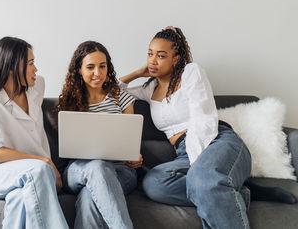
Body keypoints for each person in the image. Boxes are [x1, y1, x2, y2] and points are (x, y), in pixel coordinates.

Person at [119, 26, 295, 229]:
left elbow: (202, 118)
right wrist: (137, 73)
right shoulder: (149, 89)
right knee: (154, 184)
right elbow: (110, 90)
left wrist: (197, 165)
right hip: (183, 153)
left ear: (176, 59)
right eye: (150, 54)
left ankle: (215, 184)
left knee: (202, 180)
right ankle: (234, 190)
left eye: (161, 55)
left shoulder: (191, 73)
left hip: (216, 141)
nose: (153, 60)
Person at [0, 37, 68, 229]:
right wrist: (44, 161)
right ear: (11, 67)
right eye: (30, 63)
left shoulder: (36, 86)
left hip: (33, 175)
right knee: (38, 170)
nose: (36, 69)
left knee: (21, 198)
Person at [55, 41, 143, 229]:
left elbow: (131, 139)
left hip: (120, 171)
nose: (98, 73)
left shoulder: (120, 96)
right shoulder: (68, 101)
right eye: (90, 67)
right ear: (79, 69)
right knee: (97, 167)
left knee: (89, 196)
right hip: (78, 170)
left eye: (102, 66)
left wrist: (134, 156)